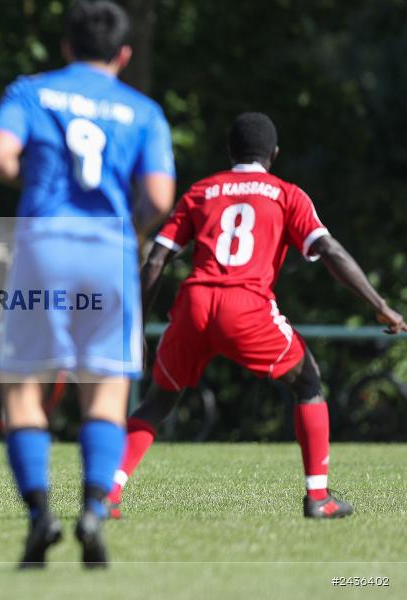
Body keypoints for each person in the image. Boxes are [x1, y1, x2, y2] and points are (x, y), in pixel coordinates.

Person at [108, 111, 407, 519]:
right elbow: (331, 252)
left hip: (195, 303)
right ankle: (318, 498)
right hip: (245, 306)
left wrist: (134, 325)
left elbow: (156, 259)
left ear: (230, 152)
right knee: (307, 380)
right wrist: (379, 305)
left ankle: (107, 494)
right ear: (275, 154)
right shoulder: (286, 194)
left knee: (159, 400)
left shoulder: (202, 190)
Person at [0, 0, 175, 568]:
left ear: (65, 46)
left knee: (21, 388)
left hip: (44, 250)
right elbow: (160, 198)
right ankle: (92, 509)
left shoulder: (31, 92)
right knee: (106, 391)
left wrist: (33, 180)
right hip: (110, 253)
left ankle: (41, 516)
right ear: (123, 53)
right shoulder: (144, 111)